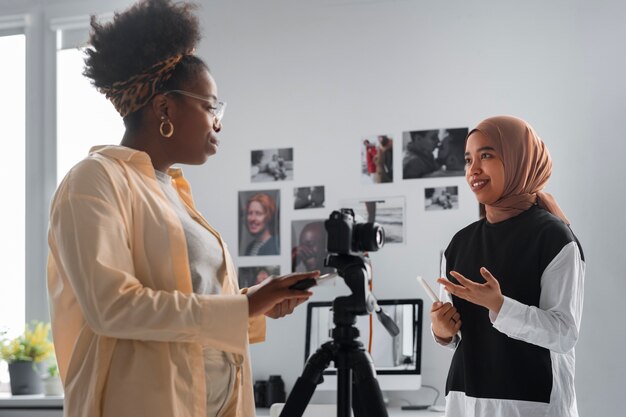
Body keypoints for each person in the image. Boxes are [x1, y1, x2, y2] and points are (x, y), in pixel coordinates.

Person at [46, 2, 317, 417]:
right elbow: (113, 308)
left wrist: (255, 304)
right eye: (211, 107)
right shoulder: (93, 180)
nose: (218, 122)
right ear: (165, 109)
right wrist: (242, 307)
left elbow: (189, 309)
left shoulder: (172, 189)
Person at [431, 115, 585, 417]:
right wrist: (442, 331)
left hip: (530, 403)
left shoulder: (553, 237)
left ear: (519, 159)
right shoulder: (459, 244)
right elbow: (467, 336)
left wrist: (500, 306)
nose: (473, 169)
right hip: (465, 401)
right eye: (467, 159)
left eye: (486, 155)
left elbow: (565, 334)